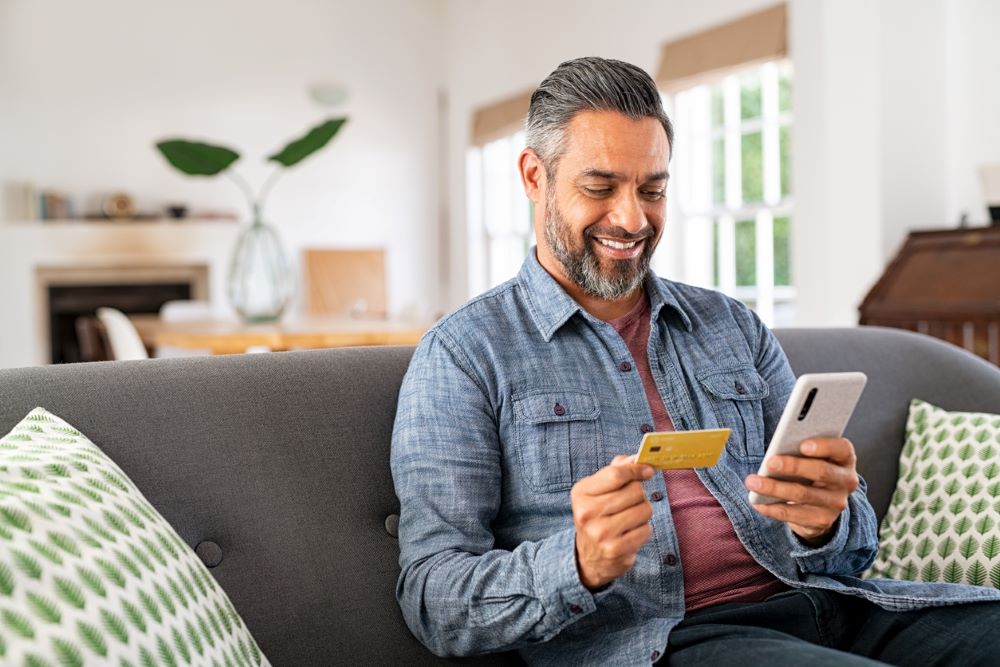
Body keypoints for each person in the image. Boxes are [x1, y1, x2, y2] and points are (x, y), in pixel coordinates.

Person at [390, 57, 1000, 666]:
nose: (632, 219)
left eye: (652, 190)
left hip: (832, 604)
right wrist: (576, 564)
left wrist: (826, 521)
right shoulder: (465, 354)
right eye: (600, 187)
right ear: (534, 177)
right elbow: (432, 600)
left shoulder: (731, 325)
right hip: (667, 640)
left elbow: (851, 548)